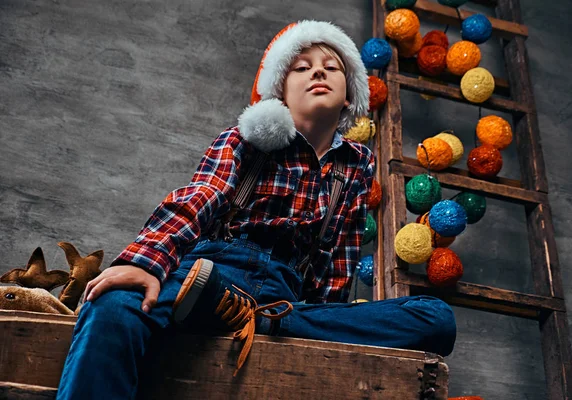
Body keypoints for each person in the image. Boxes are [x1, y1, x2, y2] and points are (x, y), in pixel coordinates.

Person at [57, 20, 456, 399]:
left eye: (331, 67)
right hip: (211, 272)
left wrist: (322, 328)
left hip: (287, 298)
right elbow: (200, 197)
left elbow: (335, 269)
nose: (318, 72)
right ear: (280, 92)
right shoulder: (247, 138)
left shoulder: (354, 169)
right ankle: (235, 306)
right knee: (113, 305)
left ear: (349, 94)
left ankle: (262, 318)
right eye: (302, 67)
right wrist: (145, 263)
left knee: (436, 319)